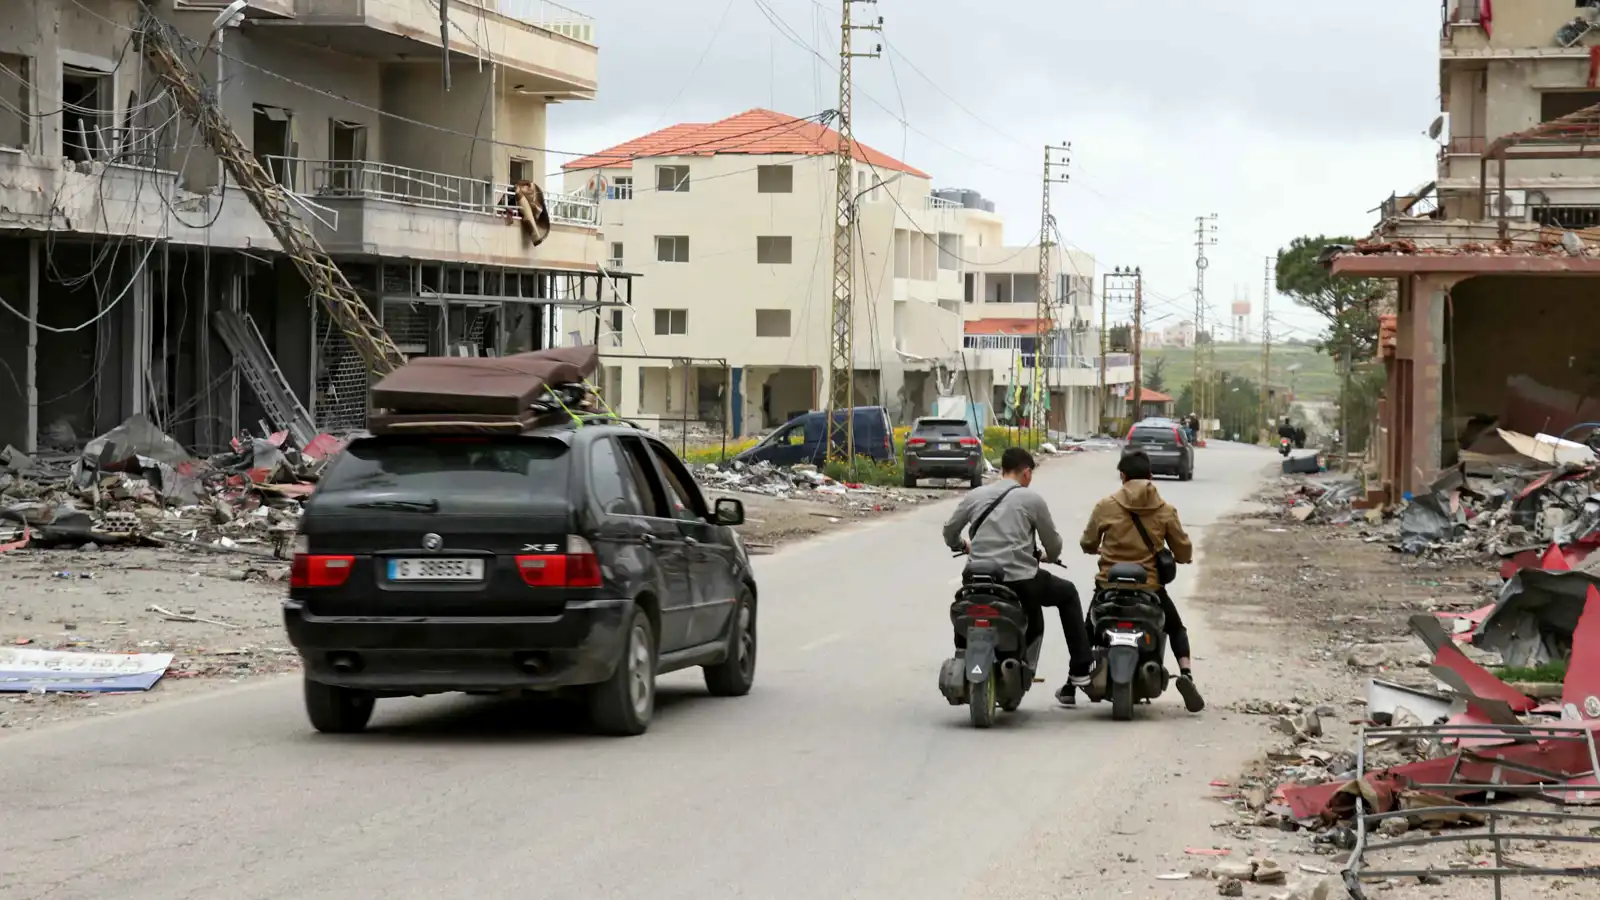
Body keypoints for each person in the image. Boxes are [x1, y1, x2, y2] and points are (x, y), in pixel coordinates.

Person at [943, 447, 1093, 705]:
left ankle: (965, 658)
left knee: (965, 610)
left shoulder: (975, 495)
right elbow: (1054, 544)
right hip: (1020, 581)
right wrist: (1048, 556)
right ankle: (1080, 669)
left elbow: (949, 532)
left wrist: (962, 545)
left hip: (977, 579)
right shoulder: (1031, 500)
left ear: (1003, 469)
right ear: (1026, 472)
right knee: (1067, 593)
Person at [1078, 450, 1205, 713]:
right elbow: (1184, 551)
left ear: (1122, 476)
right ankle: (1186, 674)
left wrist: (1095, 549)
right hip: (1149, 589)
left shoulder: (1105, 506)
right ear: (1150, 476)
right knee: (1176, 628)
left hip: (1109, 588)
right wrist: (1177, 557)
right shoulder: (1165, 510)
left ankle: (1071, 682)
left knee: (1087, 630)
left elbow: (1088, 542)